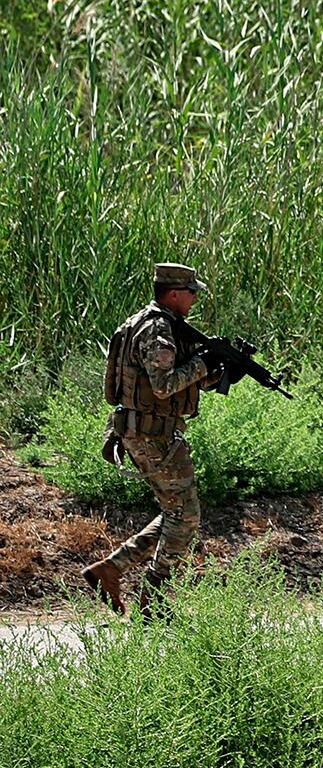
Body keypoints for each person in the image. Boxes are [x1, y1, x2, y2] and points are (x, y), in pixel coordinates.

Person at [82, 262, 222, 615]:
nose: (194, 299)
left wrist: (217, 370)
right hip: (152, 434)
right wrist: (204, 364)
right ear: (173, 293)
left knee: (177, 512)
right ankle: (153, 598)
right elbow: (163, 386)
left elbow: (170, 378)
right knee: (186, 517)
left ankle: (111, 569)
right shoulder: (158, 329)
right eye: (191, 293)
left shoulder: (150, 323)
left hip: (143, 431)